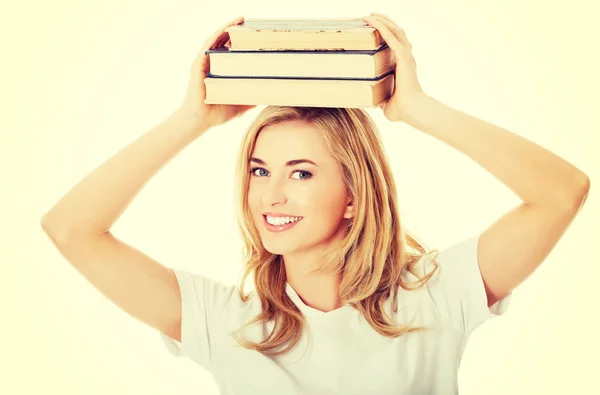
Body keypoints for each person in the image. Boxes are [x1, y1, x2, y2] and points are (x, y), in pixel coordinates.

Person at [40, 13, 590, 395]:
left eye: (301, 172)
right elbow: (70, 228)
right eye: (260, 170)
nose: (271, 195)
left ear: (354, 195)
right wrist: (195, 117)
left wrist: (415, 108)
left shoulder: (435, 297)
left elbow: (560, 193)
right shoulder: (224, 321)